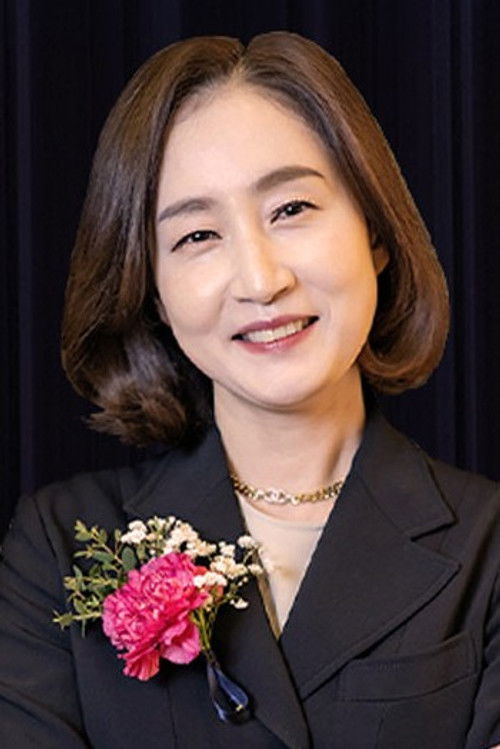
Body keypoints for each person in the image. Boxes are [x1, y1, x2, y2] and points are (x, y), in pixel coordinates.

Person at [0, 31, 499, 749]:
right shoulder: (58, 548)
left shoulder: (488, 544)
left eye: (291, 209)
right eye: (198, 236)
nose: (262, 280)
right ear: (155, 292)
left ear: (376, 233)